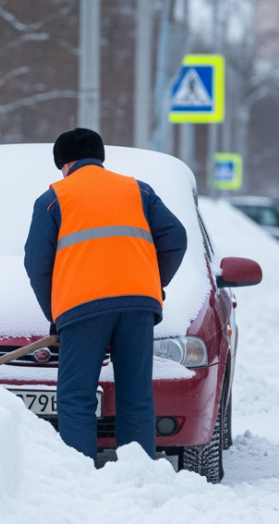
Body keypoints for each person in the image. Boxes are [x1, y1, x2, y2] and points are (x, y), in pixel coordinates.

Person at [23, 128, 188, 463]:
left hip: (82, 308)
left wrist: (55, 315)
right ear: (98, 158)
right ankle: (139, 474)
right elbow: (176, 238)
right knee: (136, 394)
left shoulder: (54, 198)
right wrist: (154, 284)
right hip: (139, 306)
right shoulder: (137, 190)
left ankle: (80, 475)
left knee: (76, 396)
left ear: (65, 165)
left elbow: (37, 263)